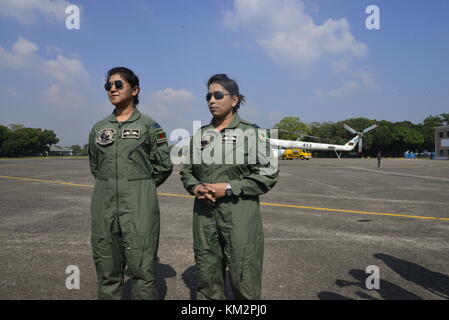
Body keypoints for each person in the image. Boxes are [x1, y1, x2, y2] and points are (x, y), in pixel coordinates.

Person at [180, 74, 279, 300]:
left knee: (244, 276)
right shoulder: (201, 135)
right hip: (204, 215)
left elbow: (269, 172)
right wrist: (195, 188)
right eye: (208, 96)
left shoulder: (251, 133)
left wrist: (231, 187)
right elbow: (187, 171)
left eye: (217, 95)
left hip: (239, 214)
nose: (211, 101)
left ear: (234, 100)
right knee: (207, 274)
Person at [88, 67, 173, 299]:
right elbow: (95, 166)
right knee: (106, 266)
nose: (112, 89)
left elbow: (164, 165)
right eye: (108, 86)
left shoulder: (149, 126)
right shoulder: (99, 128)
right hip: (104, 203)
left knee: (142, 270)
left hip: (138, 205)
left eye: (118, 85)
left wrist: (140, 186)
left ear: (135, 90)